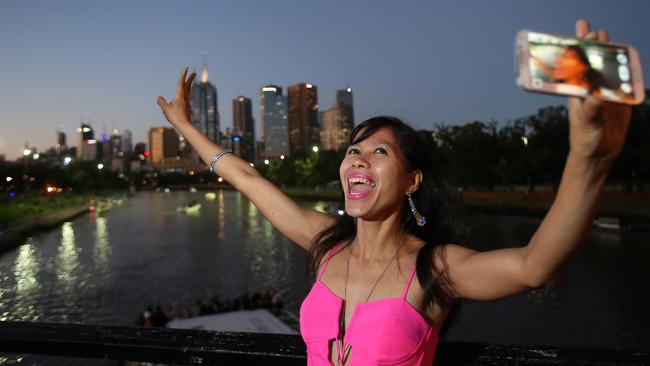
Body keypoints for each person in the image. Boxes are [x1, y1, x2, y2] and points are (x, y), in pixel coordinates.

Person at [157, 19, 631, 366]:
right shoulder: (326, 243)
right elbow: (250, 180)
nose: (357, 159)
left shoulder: (435, 268)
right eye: (352, 150)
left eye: (378, 152)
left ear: (412, 180)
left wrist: (591, 158)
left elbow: (536, 267)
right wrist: (184, 127)